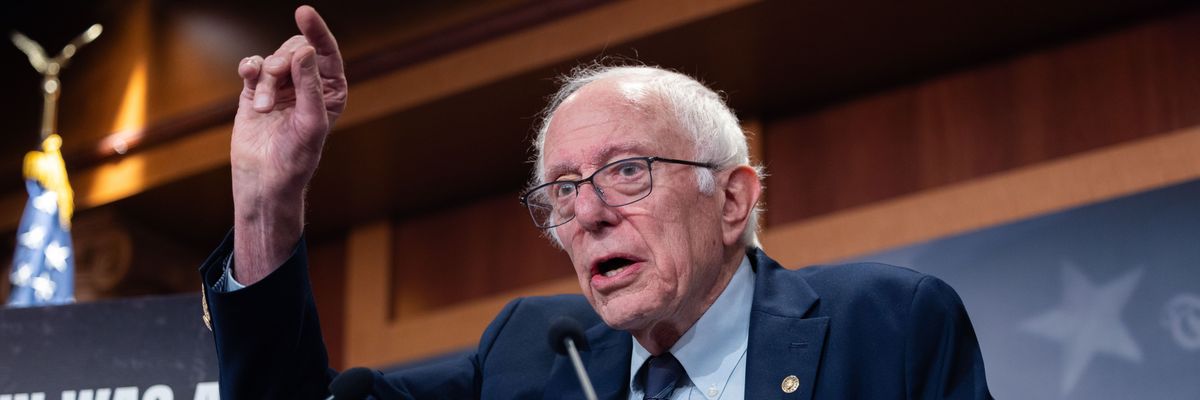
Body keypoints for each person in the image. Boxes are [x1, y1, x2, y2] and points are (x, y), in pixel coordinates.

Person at [199, 6, 992, 399]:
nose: (588, 213)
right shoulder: (532, 355)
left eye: (627, 173)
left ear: (733, 199)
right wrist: (268, 202)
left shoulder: (887, 323)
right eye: (564, 190)